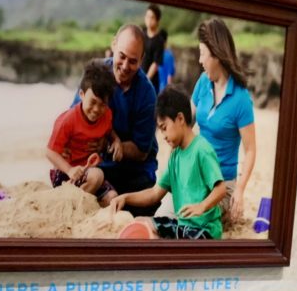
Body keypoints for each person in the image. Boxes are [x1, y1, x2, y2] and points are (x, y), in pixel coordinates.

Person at [111, 86, 225, 240]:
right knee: (140, 222)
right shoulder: (175, 156)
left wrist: (202, 206)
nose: (163, 136)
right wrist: (125, 197)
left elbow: (221, 189)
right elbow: (154, 193)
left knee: (152, 231)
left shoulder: (201, 149)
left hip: (204, 230)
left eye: (164, 128)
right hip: (183, 226)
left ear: (180, 119)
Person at [191, 18, 257, 224]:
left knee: (196, 217)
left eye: (202, 54)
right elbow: (186, 124)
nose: (200, 60)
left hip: (222, 184)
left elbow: (251, 149)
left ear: (217, 54)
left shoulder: (240, 99)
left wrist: (239, 189)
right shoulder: (203, 82)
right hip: (197, 175)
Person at [82, 24, 158, 197]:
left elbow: (141, 151)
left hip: (135, 170)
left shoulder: (147, 94)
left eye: (133, 61)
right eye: (121, 57)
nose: (125, 66)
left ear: (142, 59)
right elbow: (75, 116)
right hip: (96, 163)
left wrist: (112, 145)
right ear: (113, 45)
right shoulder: (95, 75)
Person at [46, 59, 119, 205]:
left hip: (88, 172)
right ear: (81, 94)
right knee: (97, 175)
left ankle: (85, 214)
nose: (97, 109)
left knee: (113, 198)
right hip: (66, 174)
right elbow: (50, 152)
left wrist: (116, 140)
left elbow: (109, 129)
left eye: (102, 104)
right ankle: (71, 205)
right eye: (93, 102)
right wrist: (69, 170)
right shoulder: (68, 120)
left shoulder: (107, 115)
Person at [141, 4, 167, 93]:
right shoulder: (141, 34)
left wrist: (145, 80)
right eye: (147, 16)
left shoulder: (159, 40)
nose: (149, 20)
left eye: (152, 17)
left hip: (150, 81)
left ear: (157, 20)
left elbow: (155, 64)